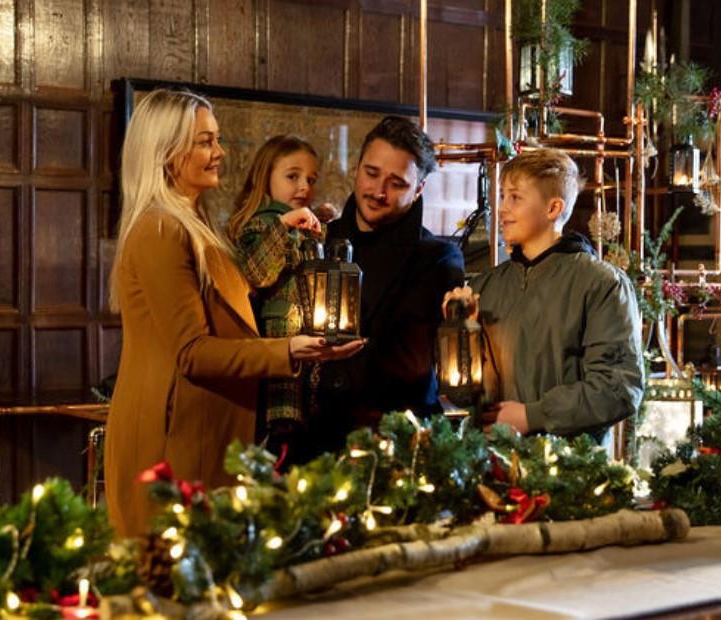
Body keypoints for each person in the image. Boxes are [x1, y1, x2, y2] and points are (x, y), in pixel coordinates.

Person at [104, 90, 362, 538]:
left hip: (206, 438)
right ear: (167, 152)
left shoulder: (194, 223)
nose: (219, 152)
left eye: (216, 140)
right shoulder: (160, 229)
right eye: (205, 142)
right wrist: (289, 352)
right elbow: (193, 353)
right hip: (175, 442)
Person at [444, 148, 642, 439]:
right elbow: (462, 396)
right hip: (490, 467)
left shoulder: (601, 284)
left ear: (553, 209)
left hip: (568, 471)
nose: (502, 209)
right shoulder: (483, 288)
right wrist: (460, 332)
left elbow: (618, 387)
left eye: (515, 197)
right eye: (502, 196)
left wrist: (531, 416)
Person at [313, 116, 465, 455]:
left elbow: (413, 366)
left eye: (397, 183)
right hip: (314, 439)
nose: (378, 192)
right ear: (357, 167)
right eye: (371, 173)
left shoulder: (438, 259)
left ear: (419, 188)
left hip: (396, 445)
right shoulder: (320, 239)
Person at [227, 135, 328, 461]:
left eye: (311, 179)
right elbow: (258, 272)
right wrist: (284, 226)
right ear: (265, 176)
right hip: (274, 348)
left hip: (308, 345)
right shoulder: (258, 225)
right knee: (277, 439)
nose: (303, 186)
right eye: (292, 176)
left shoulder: (304, 227)